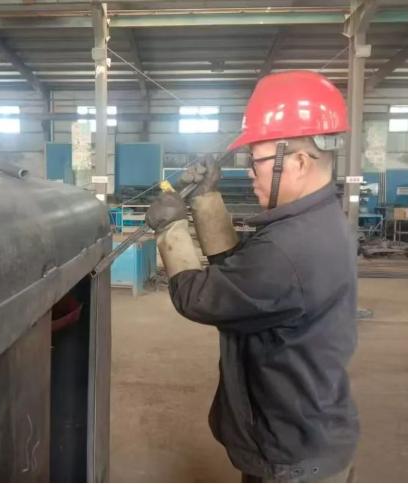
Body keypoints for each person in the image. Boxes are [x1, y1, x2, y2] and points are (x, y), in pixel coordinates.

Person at [145, 71, 359, 483]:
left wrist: (170, 229)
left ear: (298, 162)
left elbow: (196, 296)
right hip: (313, 428)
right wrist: (206, 198)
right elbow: (241, 273)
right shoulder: (316, 222)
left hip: (290, 456)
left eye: (255, 160)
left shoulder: (290, 248)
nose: (248, 172)